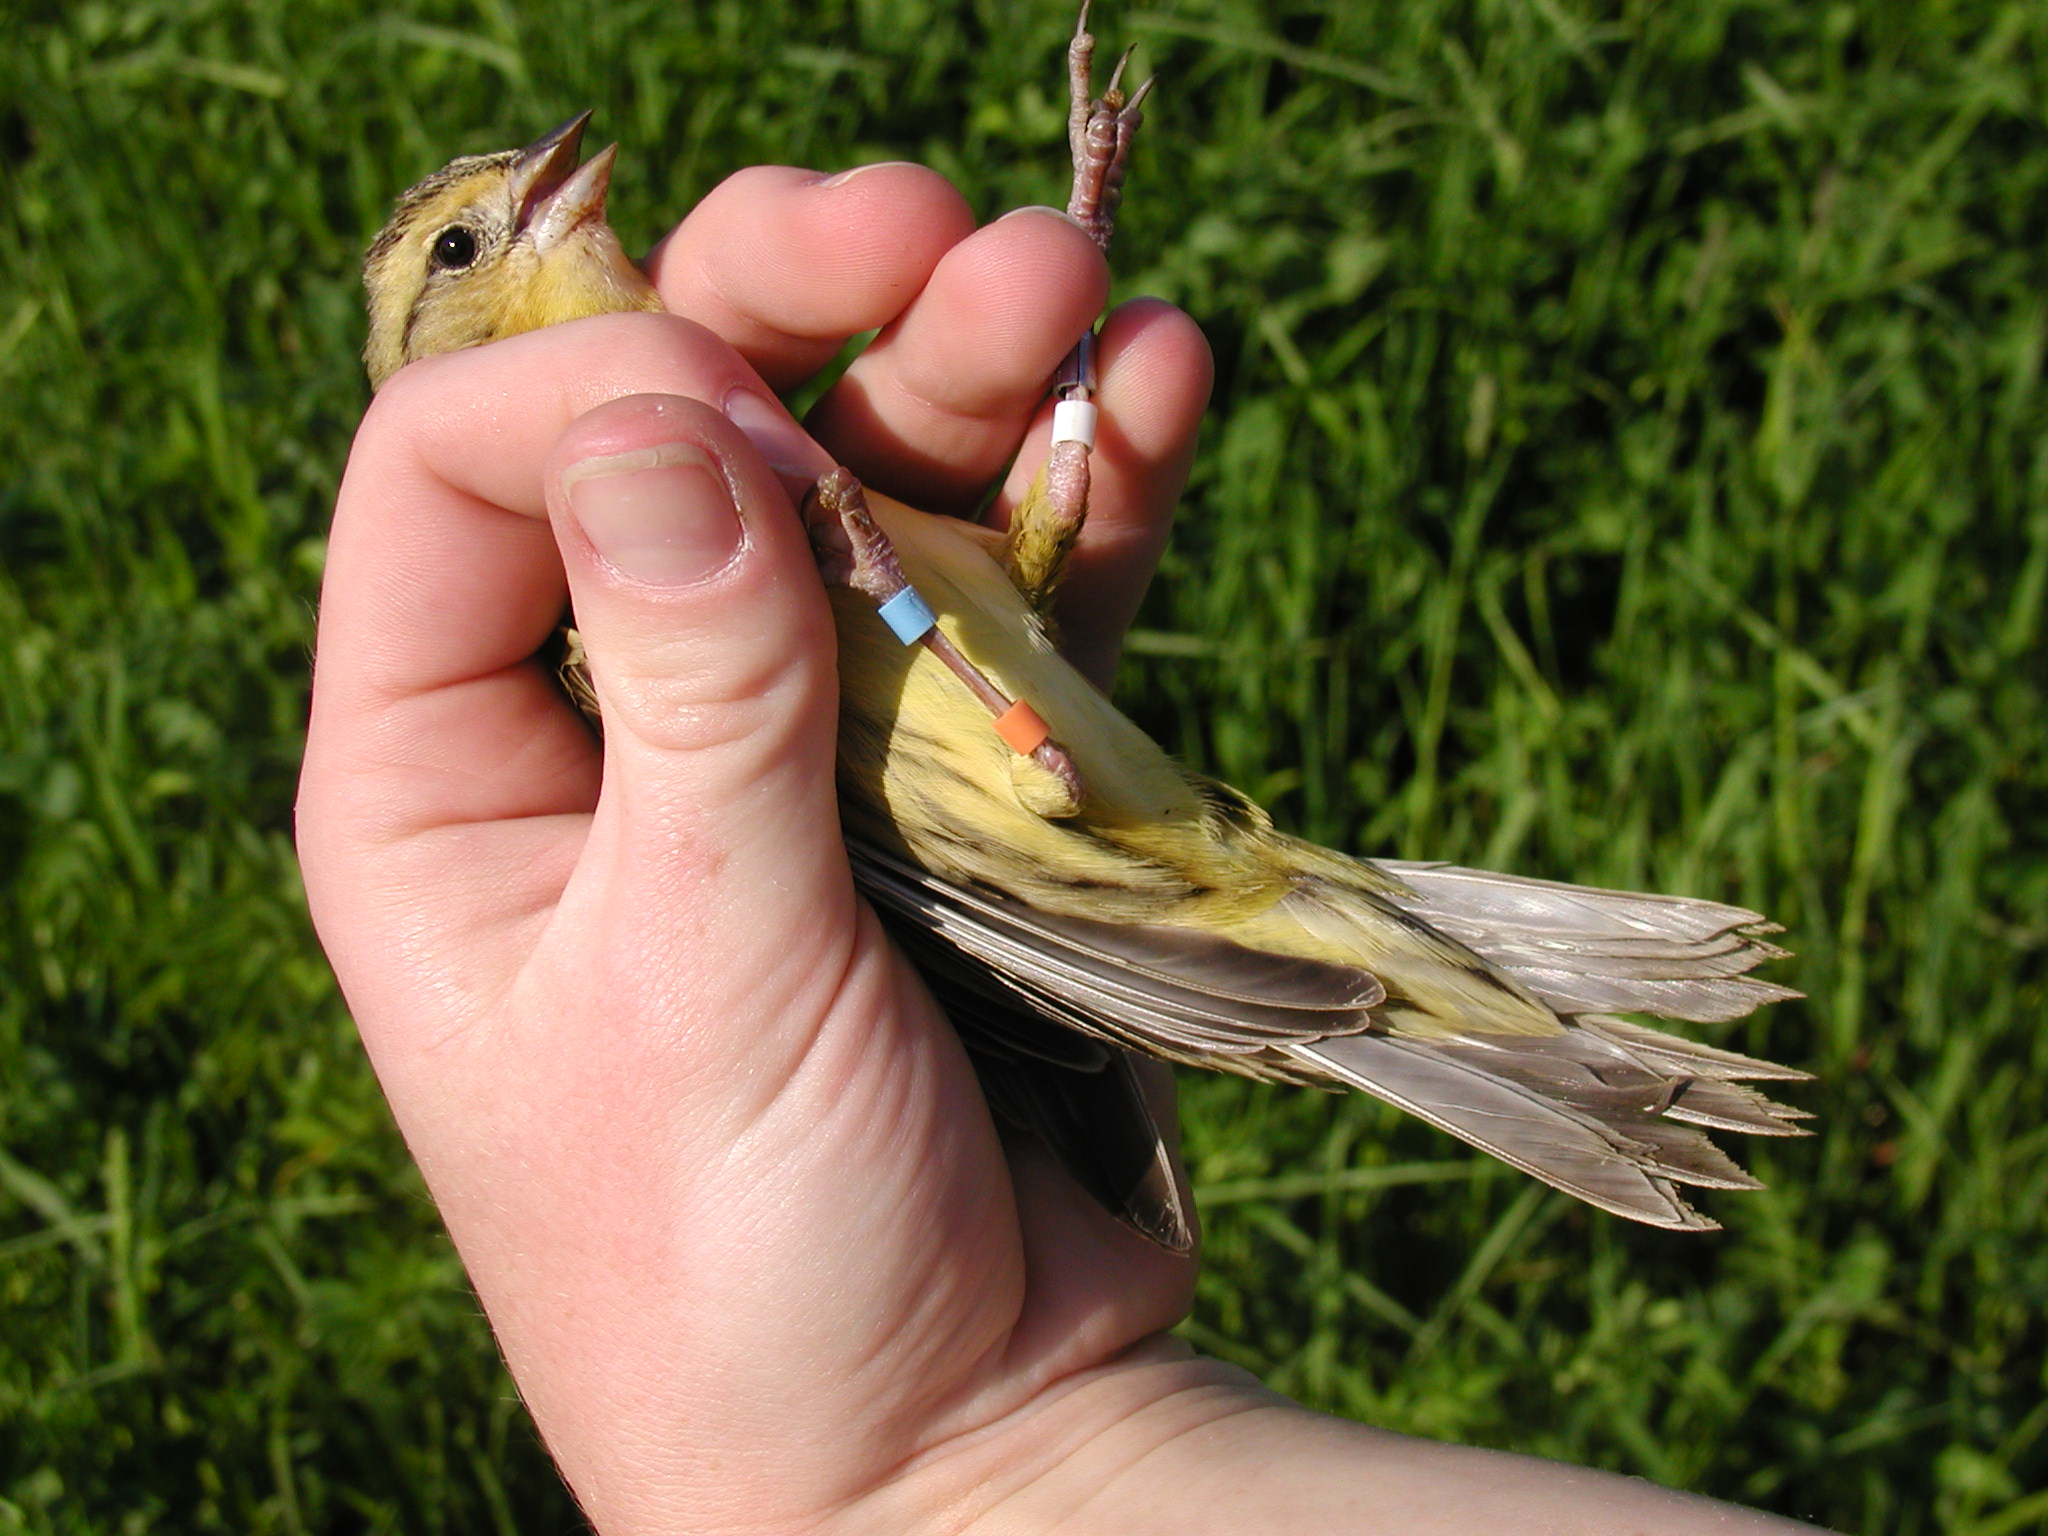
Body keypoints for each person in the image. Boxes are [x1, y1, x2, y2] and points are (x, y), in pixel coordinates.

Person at [297, 159, 1827, 1535]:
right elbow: (905, 862)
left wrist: (928, 1472)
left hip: (1055, 812)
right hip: (1036, 856)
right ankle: (1529, 1040)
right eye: (465, 249)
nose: (537, 215)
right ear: (429, 350)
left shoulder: (634, 537)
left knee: (1036, 390)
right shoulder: (585, 616)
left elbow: (1018, 576)